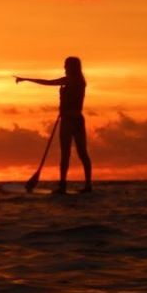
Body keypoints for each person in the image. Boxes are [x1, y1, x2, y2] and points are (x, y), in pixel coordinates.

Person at [15, 56, 93, 194]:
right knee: (82, 153)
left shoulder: (70, 80)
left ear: (72, 67)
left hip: (69, 120)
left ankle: (63, 185)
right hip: (78, 119)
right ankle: (88, 185)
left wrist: (26, 79)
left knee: (66, 154)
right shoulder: (81, 81)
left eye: (66, 65)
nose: (64, 68)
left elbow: (47, 82)